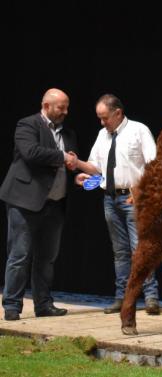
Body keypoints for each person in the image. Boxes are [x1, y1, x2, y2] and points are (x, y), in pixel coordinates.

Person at [75, 94, 159, 315]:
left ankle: (151, 297)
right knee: (120, 252)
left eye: (105, 118)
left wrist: (140, 192)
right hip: (110, 199)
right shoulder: (103, 135)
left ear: (118, 113)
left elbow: (153, 164)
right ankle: (121, 297)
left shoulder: (139, 130)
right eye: (99, 118)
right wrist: (79, 167)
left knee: (140, 249)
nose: (102, 123)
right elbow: (96, 167)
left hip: (133, 198)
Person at [1, 88, 79, 320]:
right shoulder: (27, 125)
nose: (65, 111)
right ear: (46, 106)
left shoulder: (69, 134)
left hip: (55, 203)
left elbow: (70, 166)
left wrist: (78, 177)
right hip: (25, 201)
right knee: (19, 255)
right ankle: (12, 306)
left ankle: (43, 304)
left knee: (47, 258)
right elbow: (31, 152)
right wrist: (63, 157)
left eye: (67, 107)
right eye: (60, 107)